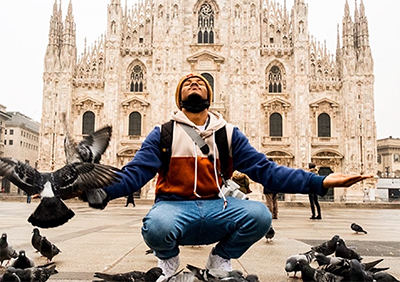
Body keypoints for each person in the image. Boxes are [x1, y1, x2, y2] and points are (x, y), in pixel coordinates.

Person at [101, 73, 373, 281]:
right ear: (178, 98)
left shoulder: (228, 134)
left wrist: (320, 181)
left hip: (216, 207)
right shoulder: (163, 134)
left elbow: (267, 171)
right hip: (173, 208)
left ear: (211, 94)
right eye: (188, 82)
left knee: (260, 215)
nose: (194, 82)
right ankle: (168, 261)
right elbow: (134, 174)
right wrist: (93, 188)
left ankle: (220, 259)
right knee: (157, 224)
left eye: (201, 81)